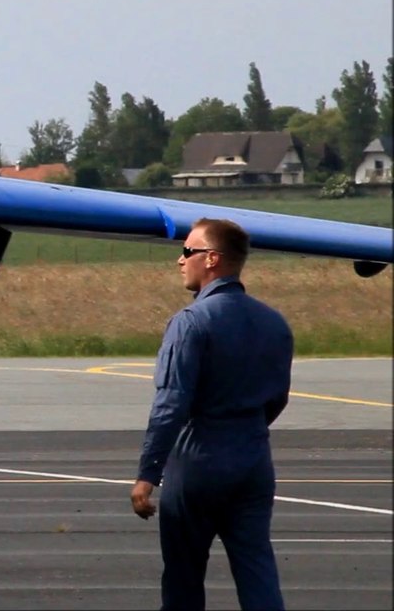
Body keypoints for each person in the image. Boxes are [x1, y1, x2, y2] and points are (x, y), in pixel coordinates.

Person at [130, 218, 293, 611]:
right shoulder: (275, 323)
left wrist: (148, 473)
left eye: (188, 251)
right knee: (257, 571)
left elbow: (171, 403)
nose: (180, 260)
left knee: (184, 576)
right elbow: (278, 398)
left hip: (199, 461)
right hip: (253, 458)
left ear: (212, 259)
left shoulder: (191, 322)